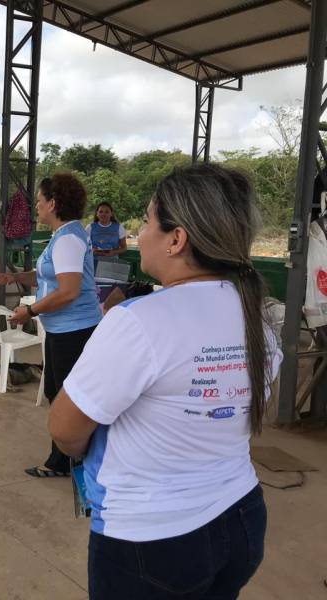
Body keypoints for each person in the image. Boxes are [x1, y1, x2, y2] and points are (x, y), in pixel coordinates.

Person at [48, 164, 282, 599]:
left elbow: (64, 429)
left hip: (152, 543)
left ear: (177, 240)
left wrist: (88, 450)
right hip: (243, 517)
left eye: (150, 220)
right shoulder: (258, 317)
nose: (141, 233)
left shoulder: (138, 321)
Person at [0, 173, 101, 477]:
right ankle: (65, 458)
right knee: (56, 390)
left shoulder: (67, 238)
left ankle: (75, 461)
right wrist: (14, 278)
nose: (36, 206)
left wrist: (31, 311)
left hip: (74, 330)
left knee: (69, 397)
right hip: (62, 329)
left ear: (53, 203)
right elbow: (46, 276)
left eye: (39, 201)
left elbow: (68, 291)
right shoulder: (63, 235)